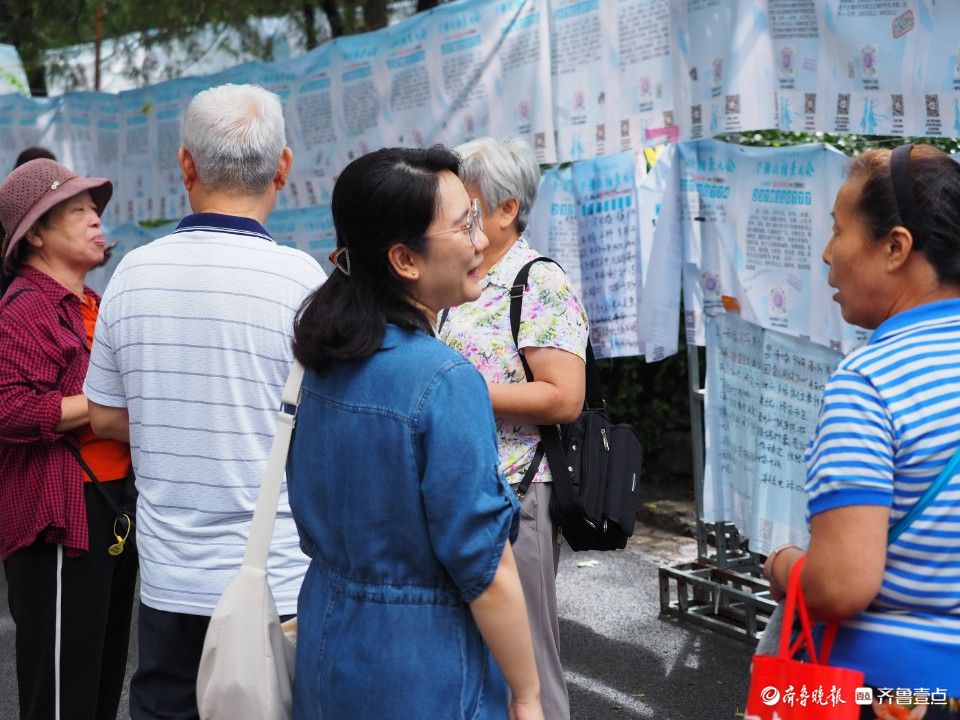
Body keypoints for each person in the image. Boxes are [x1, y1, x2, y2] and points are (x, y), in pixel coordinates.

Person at [83, 83, 326, 720]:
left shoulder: (132, 274)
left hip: (171, 577)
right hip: (276, 576)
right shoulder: (304, 281)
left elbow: (104, 415)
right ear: (283, 168)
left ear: (185, 165)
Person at [288, 145, 544, 720]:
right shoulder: (445, 381)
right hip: (422, 668)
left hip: (326, 649)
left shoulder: (322, 362)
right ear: (404, 260)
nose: (480, 241)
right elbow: (487, 570)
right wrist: (528, 695)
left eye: (476, 218)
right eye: (463, 225)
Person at [764, 143, 960, 716]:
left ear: (895, 247)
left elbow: (840, 587)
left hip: (892, 691)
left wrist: (783, 565)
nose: (828, 253)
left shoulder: (870, 383)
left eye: (838, 230)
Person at [440, 136, 588, 720]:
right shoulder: (461, 276)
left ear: (507, 209)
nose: (460, 221)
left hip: (518, 493)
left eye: (469, 208)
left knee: (527, 661)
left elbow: (563, 397)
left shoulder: (537, 281)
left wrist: (457, 391)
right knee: (474, 656)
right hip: (462, 490)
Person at [0, 158, 136, 720]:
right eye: (76, 210)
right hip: (62, 511)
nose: (95, 219)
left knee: (101, 682)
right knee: (62, 696)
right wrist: (101, 407)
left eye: (94, 209)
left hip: (114, 504)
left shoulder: (94, 305)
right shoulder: (25, 307)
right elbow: (9, 408)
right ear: (35, 234)